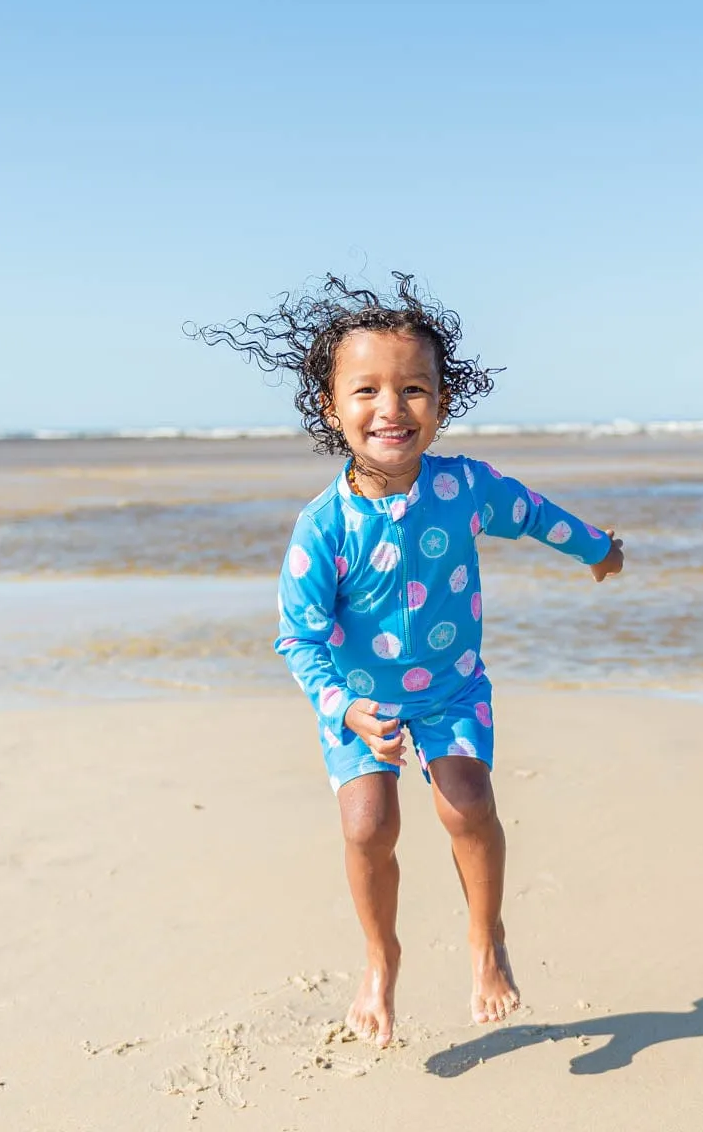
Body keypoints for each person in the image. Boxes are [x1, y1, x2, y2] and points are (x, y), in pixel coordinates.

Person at [191, 273, 624, 1048]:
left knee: (468, 806)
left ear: (441, 404)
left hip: (453, 689)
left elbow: (531, 513)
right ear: (331, 409)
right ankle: (379, 955)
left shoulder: (465, 487)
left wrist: (596, 549)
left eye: (414, 388)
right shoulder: (323, 526)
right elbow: (297, 635)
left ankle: (485, 938)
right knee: (368, 826)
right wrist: (344, 707)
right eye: (366, 391)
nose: (391, 408)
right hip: (359, 701)